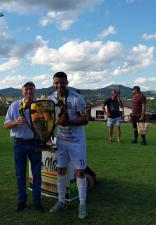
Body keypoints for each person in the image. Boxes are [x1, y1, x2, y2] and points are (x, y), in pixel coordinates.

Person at [48, 72, 89, 219]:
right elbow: (49, 119)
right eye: (57, 83)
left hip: (77, 140)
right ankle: (60, 201)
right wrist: (47, 137)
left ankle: (82, 204)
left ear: (67, 82)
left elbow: (85, 120)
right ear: (53, 83)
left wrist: (68, 122)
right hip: (61, 140)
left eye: (62, 83)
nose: (60, 85)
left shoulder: (77, 98)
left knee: (80, 172)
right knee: (60, 170)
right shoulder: (50, 99)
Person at [4, 81, 42, 212]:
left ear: (34, 91)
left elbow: (44, 127)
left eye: (31, 89)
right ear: (22, 91)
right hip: (19, 143)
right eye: (26, 90)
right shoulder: (15, 105)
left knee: (37, 174)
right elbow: (6, 125)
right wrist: (15, 122)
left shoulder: (39, 106)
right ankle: (22, 201)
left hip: (35, 143)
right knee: (20, 174)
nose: (29, 92)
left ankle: (37, 201)